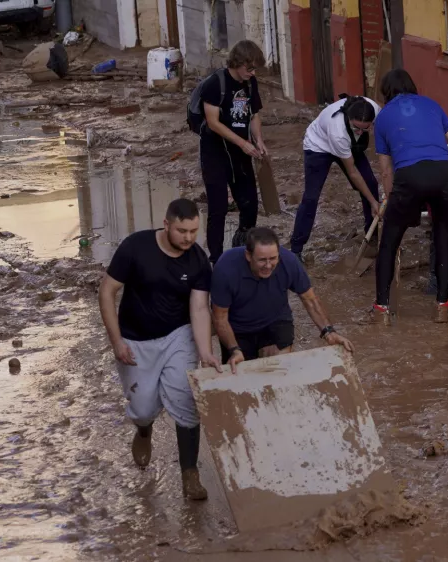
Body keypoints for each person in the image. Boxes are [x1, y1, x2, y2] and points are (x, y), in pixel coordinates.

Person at [98, 198, 221, 501]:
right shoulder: (135, 247)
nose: (189, 238)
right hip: (135, 339)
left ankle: (190, 474)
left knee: (186, 400)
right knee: (142, 408)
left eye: (194, 231)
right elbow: (107, 291)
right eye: (182, 230)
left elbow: (200, 308)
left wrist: (205, 350)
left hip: (178, 336)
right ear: (166, 225)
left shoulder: (197, 259)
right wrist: (117, 341)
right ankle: (143, 430)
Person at [371, 69, 448, 324]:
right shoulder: (432, 104)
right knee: (443, 238)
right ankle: (442, 308)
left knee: (389, 242)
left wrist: (391, 201)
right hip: (443, 171)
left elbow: (386, 169)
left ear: (385, 92)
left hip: (407, 175)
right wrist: (443, 174)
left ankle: (381, 311)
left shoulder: (383, 117)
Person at [211, 227, 354, 372]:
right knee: (242, 377)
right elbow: (220, 318)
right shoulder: (225, 269)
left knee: (277, 370)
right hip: (238, 329)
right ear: (248, 255)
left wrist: (329, 332)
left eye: (273, 259)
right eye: (262, 260)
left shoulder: (288, 261)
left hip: (275, 321)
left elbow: (310, 299)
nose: (268, 266)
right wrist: (234, 349)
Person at [289, 95, 383, 261]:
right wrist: (373, 202)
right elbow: (353, 172)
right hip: (319, 146)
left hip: (349, 145)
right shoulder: (337, 130)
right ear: (348, 118)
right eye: (356, 129)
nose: (360, 133)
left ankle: (372, 238)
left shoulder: (374, 109)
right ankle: (296, 249)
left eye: (365, 129)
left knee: (371, 184)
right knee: (311, 197)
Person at [200, 39, 267, 264]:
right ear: (237, 63)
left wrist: (258, 140)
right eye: (249, 68)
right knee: (218, 208)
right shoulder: (215, 84)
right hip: (215, 151)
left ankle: (242, 249)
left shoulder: (250, 83)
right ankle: (216, 260)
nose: (252, 72)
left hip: (241, 151)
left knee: (249, 203)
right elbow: (213, 122)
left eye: (255, 68)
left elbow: (254, 114)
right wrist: (242, 143)